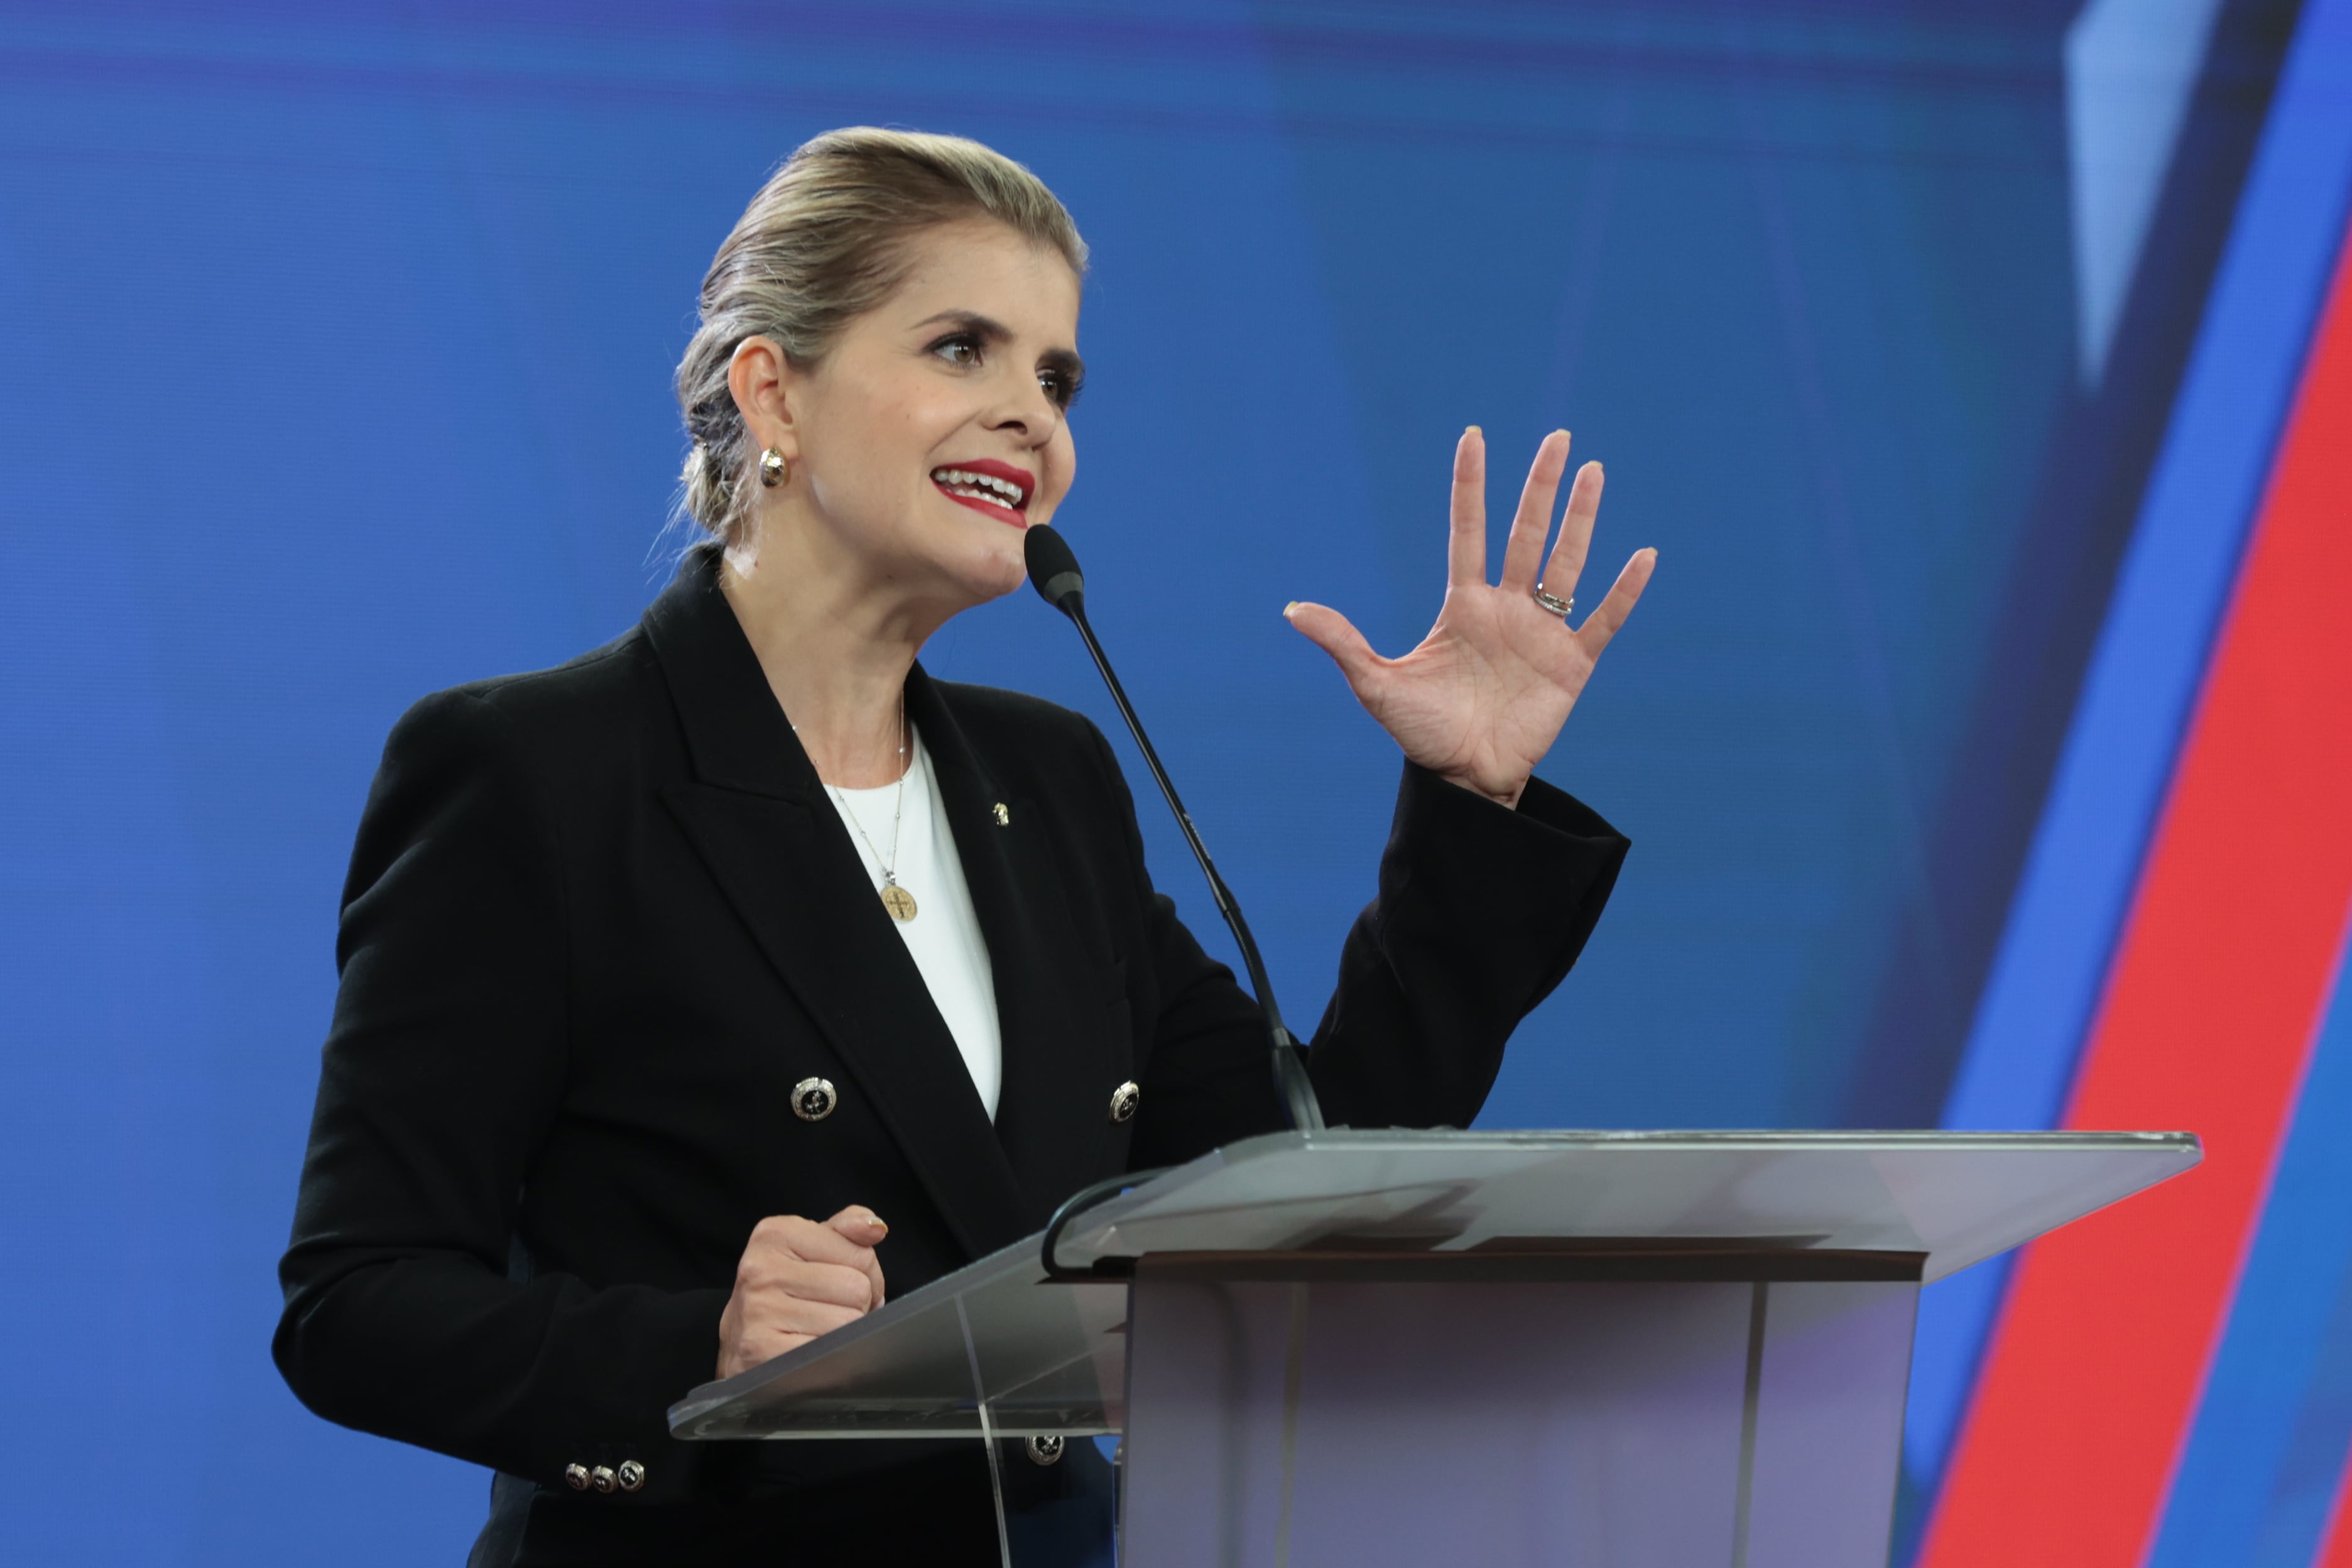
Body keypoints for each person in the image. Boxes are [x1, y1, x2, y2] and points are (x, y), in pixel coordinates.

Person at [273, 127, 1656, 1566]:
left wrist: (1470, 802)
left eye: (1055, 378)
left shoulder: (1051, 783)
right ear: (773, 391)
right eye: (961, 350)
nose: (1032, 417)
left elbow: (1291, 1192)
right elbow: (356, 1303)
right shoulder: (534, 775)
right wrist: (703, 1345)